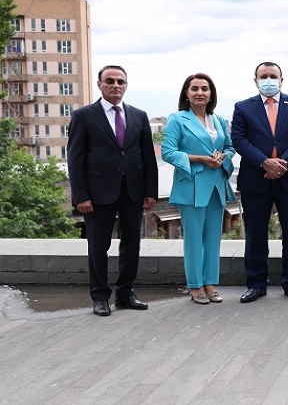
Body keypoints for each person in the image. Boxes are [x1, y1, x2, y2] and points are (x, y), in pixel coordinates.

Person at [67, 65, 158, 316]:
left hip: (132, 192)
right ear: (100, 84)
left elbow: (148, 157)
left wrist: (150, 192)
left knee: (132, 244)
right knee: (98, 245)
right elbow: (75, 160)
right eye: (110, 81)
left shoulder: (139, 116)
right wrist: (81, 196)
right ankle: (99, 297)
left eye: (120, 81)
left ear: (126, 85)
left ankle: (126, 294)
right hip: (97, 195)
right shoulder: (84, 115)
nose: (115, 85)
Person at [232, 62, 288, 302]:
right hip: (255, 179)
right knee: (255, 234)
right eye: (263, 76)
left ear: (282, 79)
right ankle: (257, 284)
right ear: (255, 80)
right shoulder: (243, 107)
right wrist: (264, 162)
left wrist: (282, 163)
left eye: (273, 76)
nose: (268, 80)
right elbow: (238, 139)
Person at [161, 73, 236, 305]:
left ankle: (210, 282)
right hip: (191, 187)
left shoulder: (219, 120)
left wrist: (223, 156)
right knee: (194, 239)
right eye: (194, 88)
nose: (200, 92)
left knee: (213, 238)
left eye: (205, 88)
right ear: (187, 93)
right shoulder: (177, 119)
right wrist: (200, 159)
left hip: (216, 186)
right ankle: (195, 285)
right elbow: (168, 152)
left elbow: (230, 147)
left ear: (211, 93)